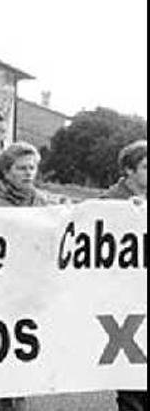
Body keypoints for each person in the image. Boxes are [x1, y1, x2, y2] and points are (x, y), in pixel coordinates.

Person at [0, 142, 51, 411]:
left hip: (29, 291)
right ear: (5, 171)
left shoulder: (41, 202)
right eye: (21, 168)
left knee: (22, 362)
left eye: (32, 168)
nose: (28, 173)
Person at [98, 140, 147, 411]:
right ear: (128, 170)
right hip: (123, 303)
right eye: (145, 167)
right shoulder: (108, 203)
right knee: (131, 376)